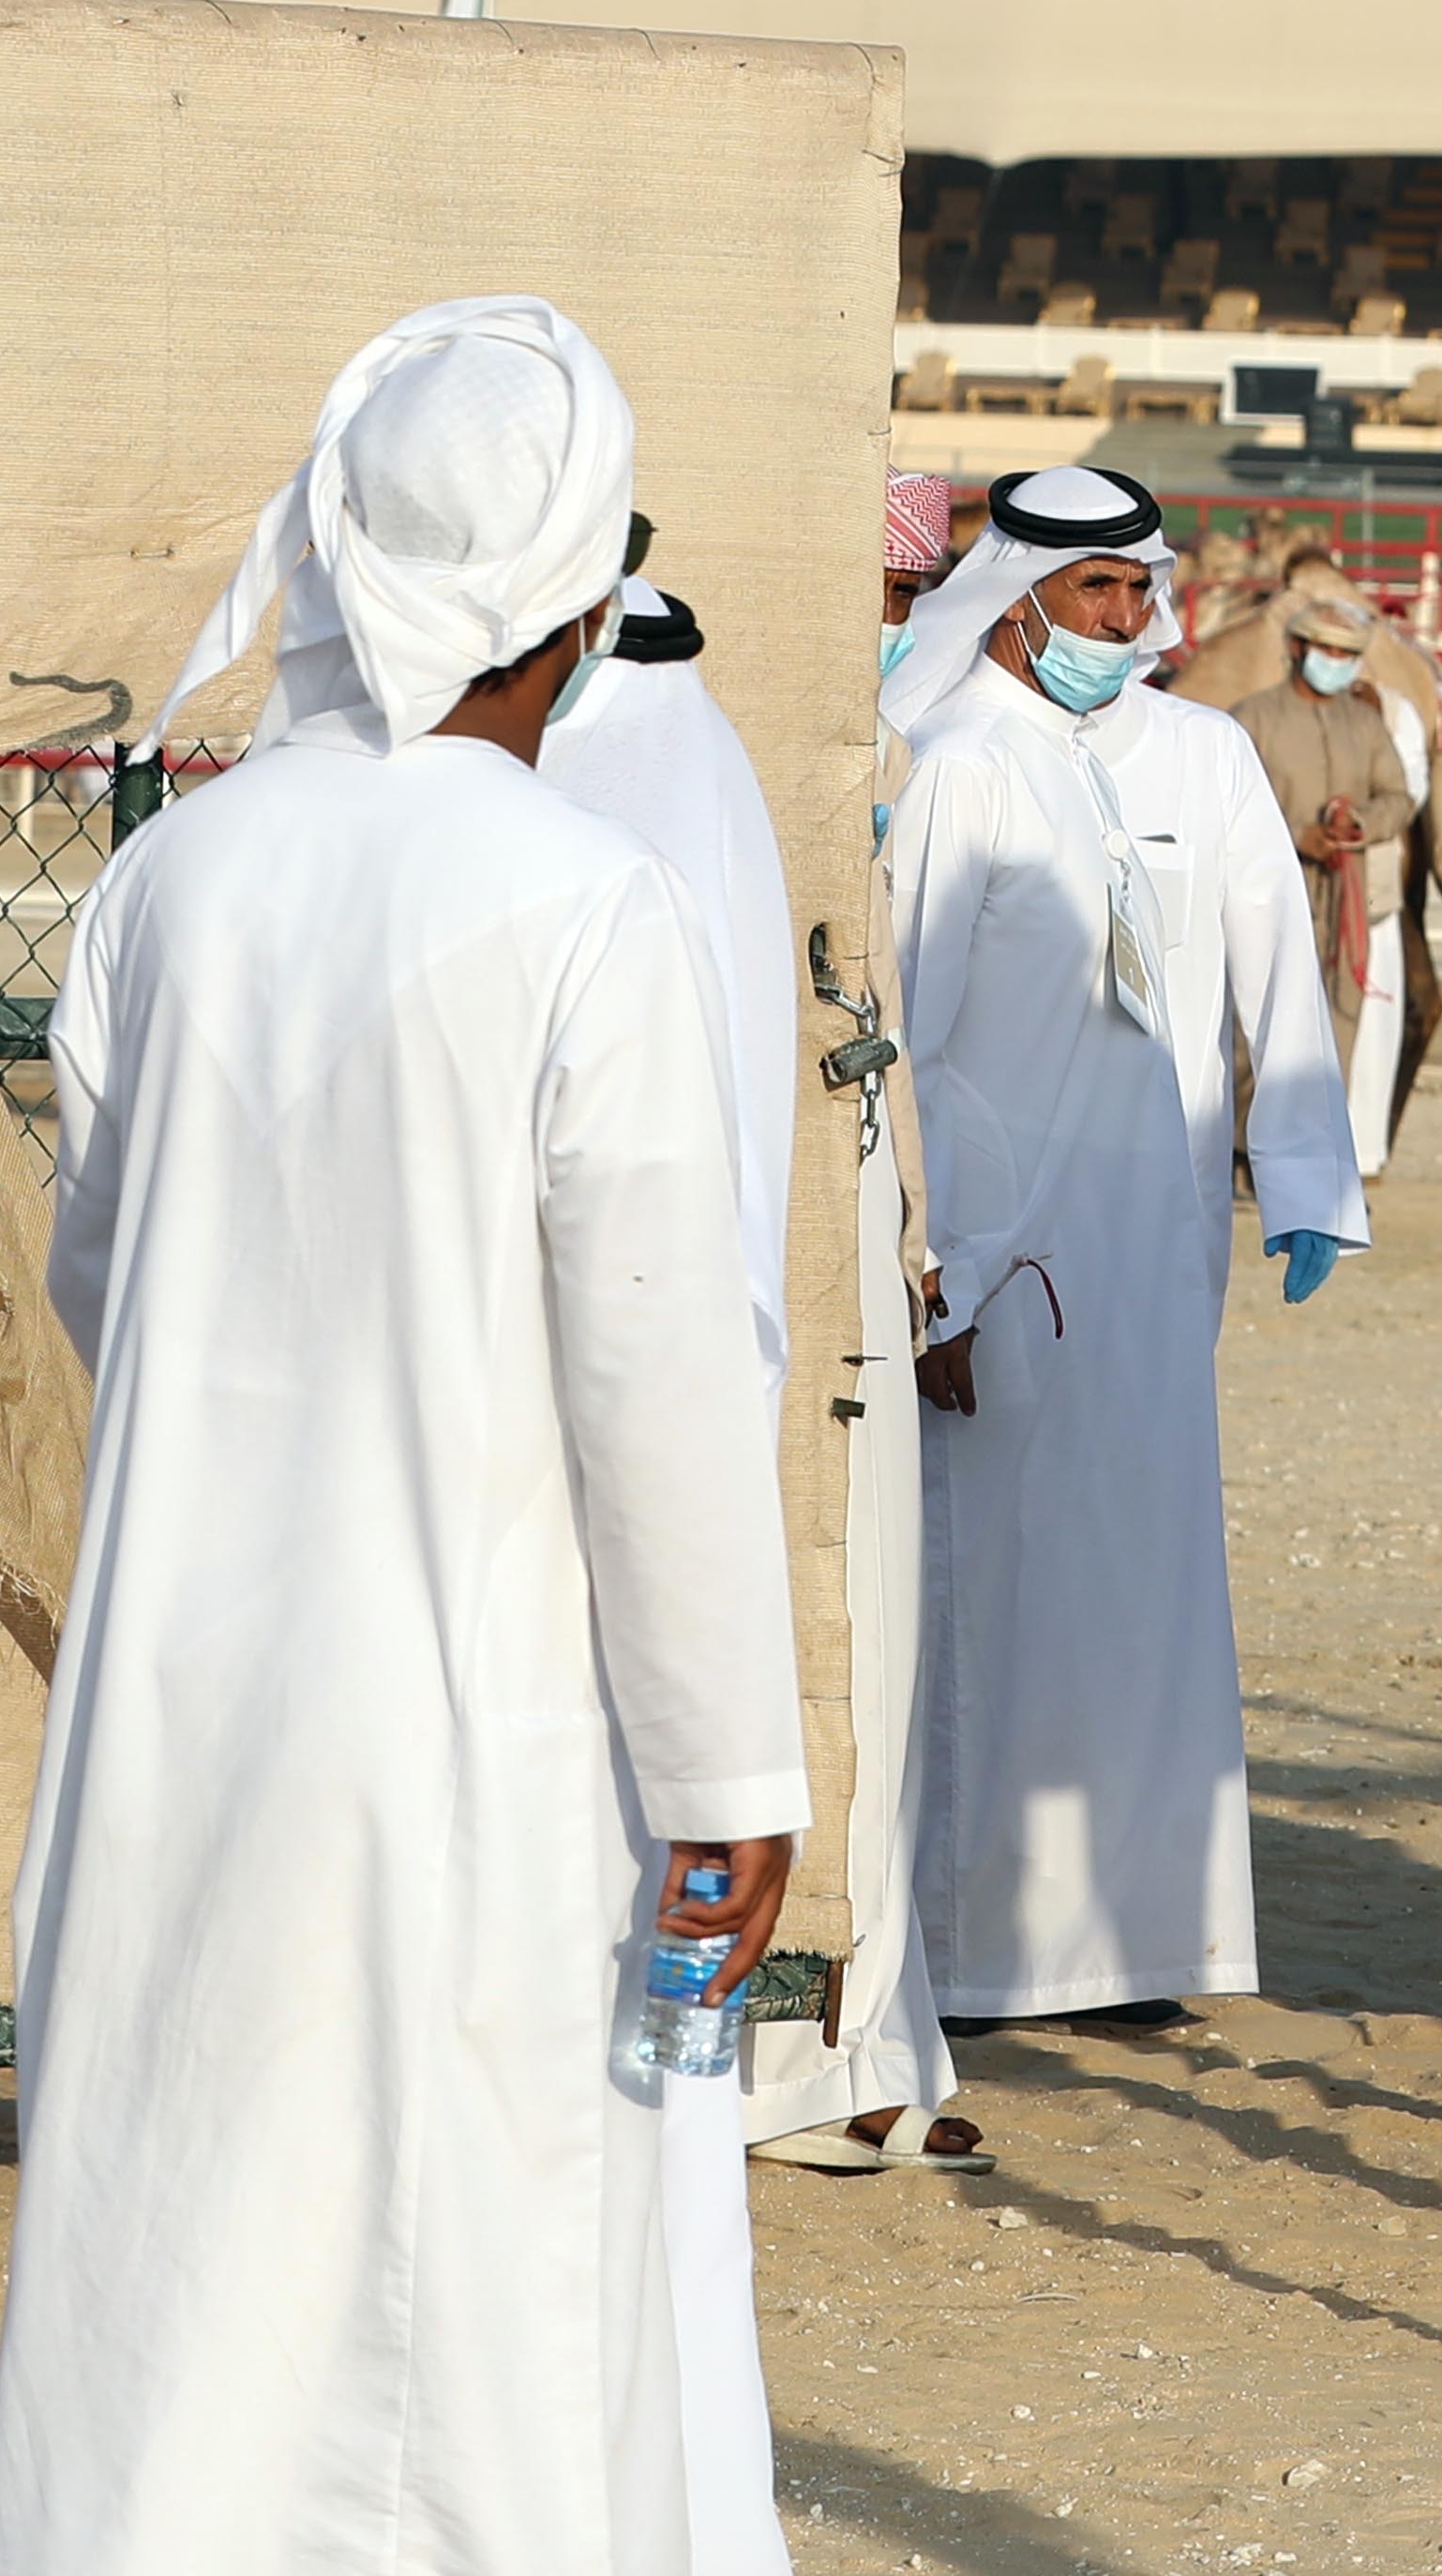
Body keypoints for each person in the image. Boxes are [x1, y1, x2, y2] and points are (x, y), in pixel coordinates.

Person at [0, 296, 809, 2576]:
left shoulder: (161, 885)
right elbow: (659, 1386)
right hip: (469, 1725)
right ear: (576, 604)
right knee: (466, 2317)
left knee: (184, 2272)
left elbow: (113, 1283)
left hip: (175, 1706)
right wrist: (728, 1785)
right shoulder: (589, 910)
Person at [882, 467, 1364, 2026]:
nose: (1127, 619)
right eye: (1097, 593)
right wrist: (922, 1258)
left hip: (1156, 1255)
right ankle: (978, 1956)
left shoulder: (1203, 750)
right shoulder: (952, 762)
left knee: (1151, 1572)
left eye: (1138, 590)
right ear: (1015, 598)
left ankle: (1144, 1940)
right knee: (997, 1586)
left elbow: (1273, 969)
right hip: (998, 1252)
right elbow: (901, 1025)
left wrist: (1300, 1171)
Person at [539, 510, 977, 2177]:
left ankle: (776, 2051)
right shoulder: (629, 796)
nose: (891, 615)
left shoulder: (689, 776)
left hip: (741, 1313)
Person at [1228, 592, 1419, 1177]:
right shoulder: (1250, 719)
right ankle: (1240, 1149)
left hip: (1345, 901)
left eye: (1347, 653)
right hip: (1266, 897)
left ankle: (1305, 1160)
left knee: (1335, 1023)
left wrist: (1359, 825)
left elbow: (1399, 797)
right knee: (1251, 1023)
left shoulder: (1365, 724)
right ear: (1296, 648)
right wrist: (1294, 837)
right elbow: (1226, 811)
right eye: (1327, 649)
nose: (1336, 661)